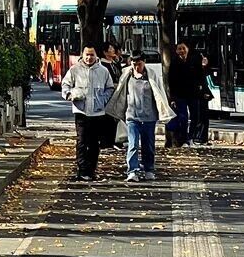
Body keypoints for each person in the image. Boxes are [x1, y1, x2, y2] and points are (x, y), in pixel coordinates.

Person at [106, 53, 174, 181]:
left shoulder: (151, 75)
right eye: (134, 64)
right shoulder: (126, 75)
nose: (137, 67)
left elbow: (159, 94)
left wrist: (162, 111)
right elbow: (120, 92)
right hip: (132, 116)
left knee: (148, 145)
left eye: (139, 64)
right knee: (133, 144)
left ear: (144, 62)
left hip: (149, 117)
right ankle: (132, 170)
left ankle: (149, 169)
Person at [61, 44, 114, 182]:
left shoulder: (103, 71)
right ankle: (82, 170)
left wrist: (103, 100)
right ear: (82, 55)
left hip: (97, 113)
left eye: (92, 55)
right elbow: (65, 84)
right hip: (81, 112)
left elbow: (110, 88)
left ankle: (91, 170)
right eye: (87, 55)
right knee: (82, 142)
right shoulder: (74, 69)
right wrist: (69, 95)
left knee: (94, 143)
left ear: (96, 56)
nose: (89, 57)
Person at [165, 42, 193, 147]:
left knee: (189, 117)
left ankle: (187, 138)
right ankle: (180, 139)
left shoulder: (191, 61)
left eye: (183, 48)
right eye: (179, 49)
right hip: (179, 95)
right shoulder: (174, 63)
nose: (182, 51)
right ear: (176, 51)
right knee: (182, 117)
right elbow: (171, 81)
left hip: (190, 94)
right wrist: (172, 97)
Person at [100, 41, 122, 149]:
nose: (113, 50)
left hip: (116, 93)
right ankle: (106, 141)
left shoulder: (114, 63)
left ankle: (114, 140)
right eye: (110, 48)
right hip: (108, 94)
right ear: (105, 52)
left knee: (115, 117)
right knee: (107, 118)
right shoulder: (102, 65)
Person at [188, 50, 212, 145]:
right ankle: (197, 138)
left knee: (203, 118)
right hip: (198, 97)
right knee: (198, 117)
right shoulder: (195, 71)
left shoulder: (202, 70)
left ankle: (202, 138)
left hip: (202, 97)